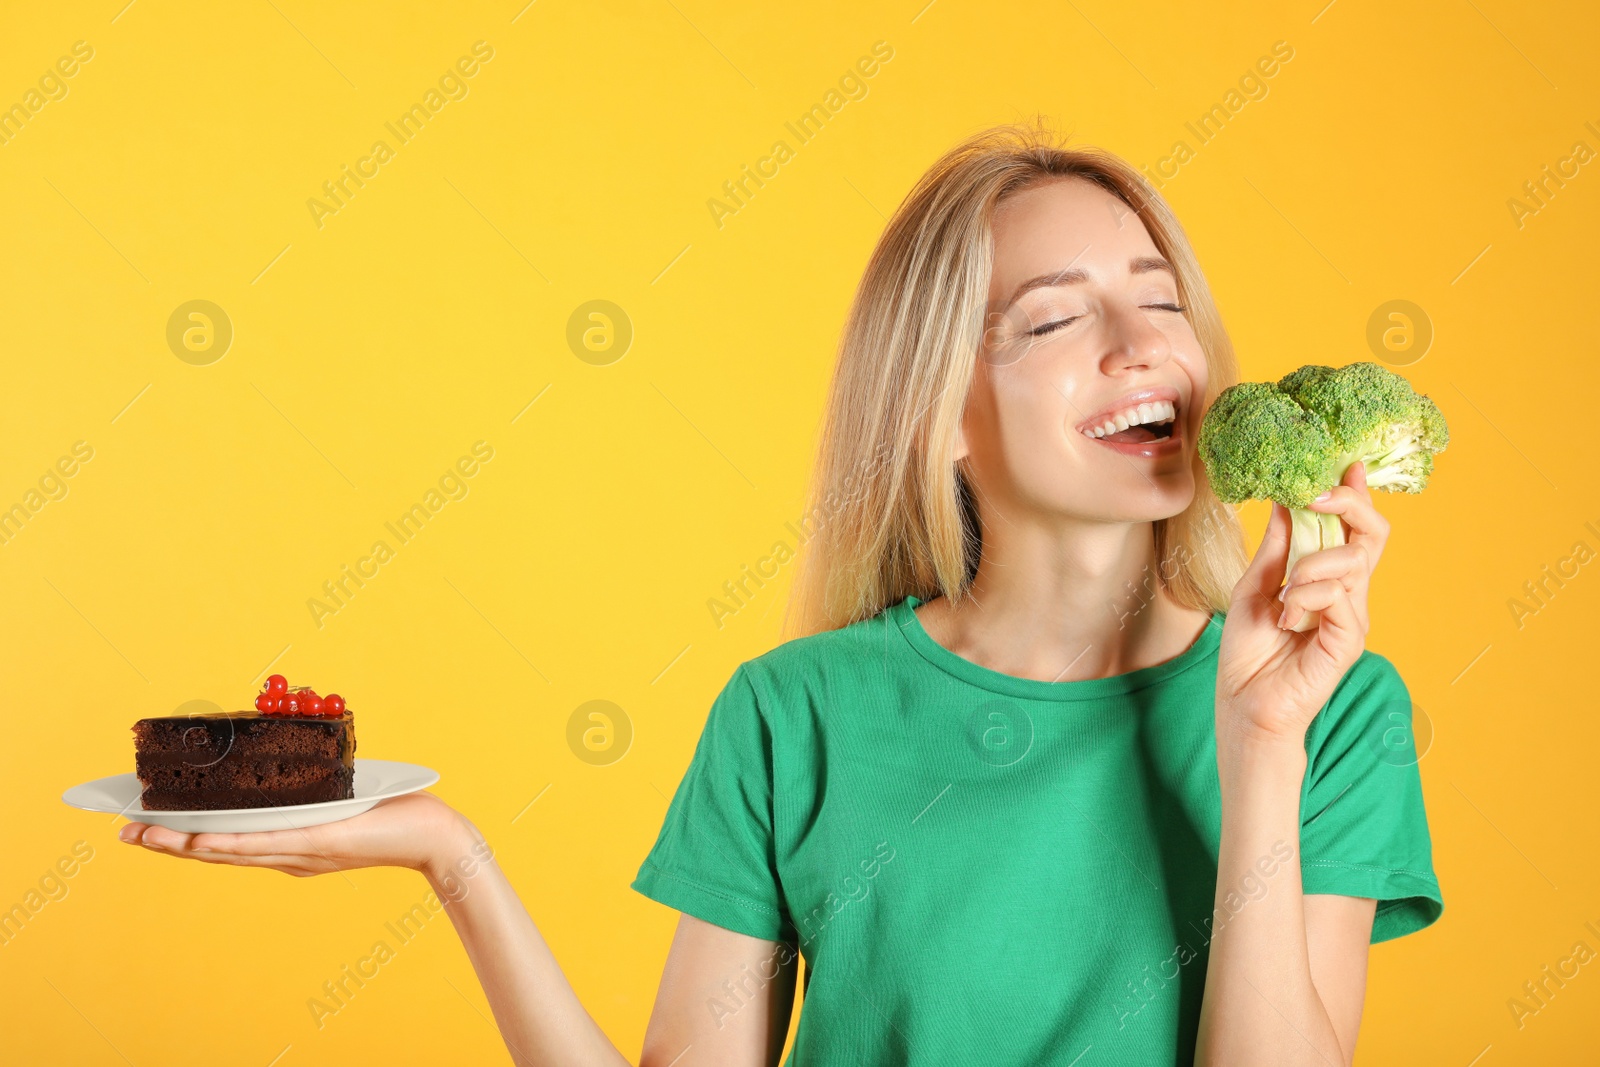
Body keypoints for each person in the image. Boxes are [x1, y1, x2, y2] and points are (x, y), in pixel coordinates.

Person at [118, 122, 1442, 1066]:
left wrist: (1261, 747)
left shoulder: (1332, 711)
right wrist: (454, 860)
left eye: (1161, 304)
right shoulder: (791, 716)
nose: (1142, 346)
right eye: (1053, 319)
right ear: (942, 414)